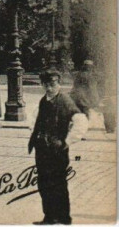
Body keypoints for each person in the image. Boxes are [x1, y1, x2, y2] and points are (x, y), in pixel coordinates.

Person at [28, 69, 88, 225]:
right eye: (45, 85)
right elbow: (35, 120)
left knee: (58, 184)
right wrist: (36, 136)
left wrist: (67, 141)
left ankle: (63, 217)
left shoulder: (65, 100)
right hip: (42, 150)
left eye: (52, 84)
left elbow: (81, 121)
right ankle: (49, 217)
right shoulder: (43, 100)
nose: (49, 88)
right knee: (44, 183)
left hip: (57, 151)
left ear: (59, 84)